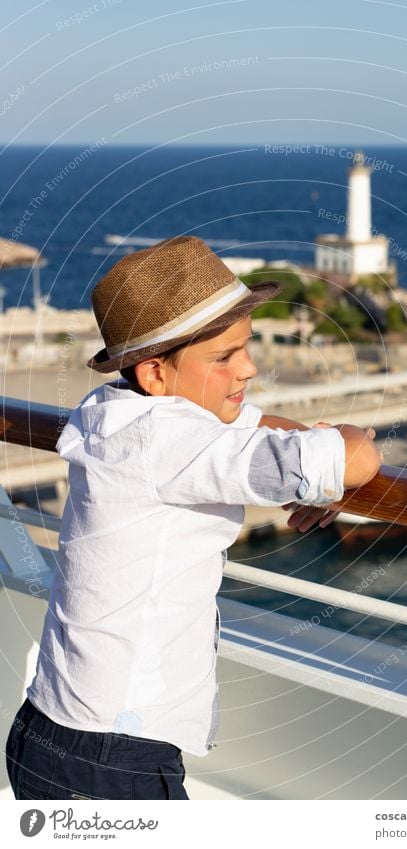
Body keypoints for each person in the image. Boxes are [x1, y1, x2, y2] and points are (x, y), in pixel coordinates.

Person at [5, 236, 380, 800]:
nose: (248, 368)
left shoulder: (111, 411)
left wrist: (308, 462)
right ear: (156, 375)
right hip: (115, 754)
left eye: (246, 348)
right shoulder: (173, 443)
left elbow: (251, 426)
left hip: (48, 725)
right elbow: (358, 459)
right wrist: (340, 446)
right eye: (225, 357)